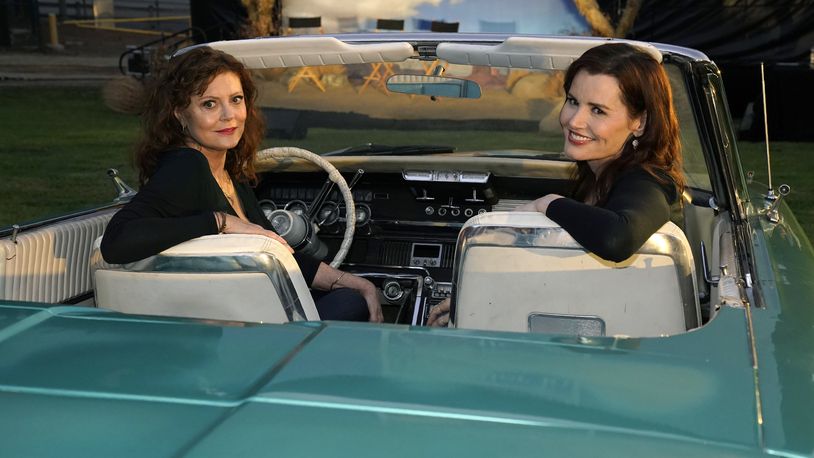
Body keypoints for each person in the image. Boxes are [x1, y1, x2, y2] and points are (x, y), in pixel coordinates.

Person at [100, 46, 383, 323]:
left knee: (352, 296)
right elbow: (116, 241)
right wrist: (222, 221)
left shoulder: (229, 172)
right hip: (234, 325)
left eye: (236, 99)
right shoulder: (186, 165)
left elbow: (285, 254)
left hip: (255, 312)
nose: (229, 115)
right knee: (352, 305)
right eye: (209, 104)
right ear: (180, 114)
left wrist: (349, 281)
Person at [428, 43, 685, 327]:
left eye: (598, 110)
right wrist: (474, 299)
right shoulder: (597, 177)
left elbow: (617, 238)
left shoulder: (649, 181)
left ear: (639, 122)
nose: (574, 121)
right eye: (573, 101)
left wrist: (546, 204)